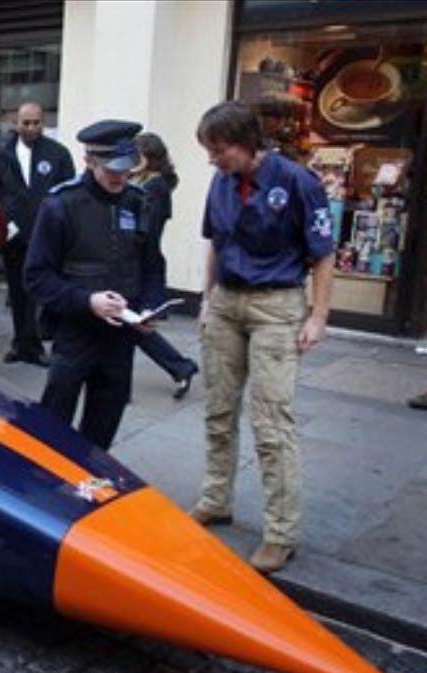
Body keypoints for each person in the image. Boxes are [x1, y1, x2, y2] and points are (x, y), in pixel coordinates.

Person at [188, 101, 336, 574]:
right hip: (227, 303)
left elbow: (323, 254)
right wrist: (207, 298)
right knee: (218, 410)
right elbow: (216, 242)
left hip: (277, 307)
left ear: (246, 142)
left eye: (218, 149)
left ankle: (281, 532)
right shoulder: (221, 181)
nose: (212, 159)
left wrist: (318, 317)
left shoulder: (297, 181)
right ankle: (216, 499)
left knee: (271, 423)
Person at [25, 120, 166, 450]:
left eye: (126, 169)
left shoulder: (138, 201)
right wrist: (87, 301)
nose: (120, 177)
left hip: (120, 338)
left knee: (103, 428)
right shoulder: (61, 204)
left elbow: (152, 264)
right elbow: (36, 276)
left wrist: (150, 305)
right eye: (112, 169)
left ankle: (91, 479)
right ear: (89, 161)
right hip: (75, 334)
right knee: (53, 428)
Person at [0, 102, 75, 367]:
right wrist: (5, 219)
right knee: (17, 292)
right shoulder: (4, 154)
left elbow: (68, 192)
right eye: (26, 123)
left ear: (43, 123)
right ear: (16, 123)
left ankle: (36, 344)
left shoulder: (57, 153)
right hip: (14, 237)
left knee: (42, 292)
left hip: (47, 235)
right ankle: (21, 343)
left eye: (36, 122)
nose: (31, 127)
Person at [131, 132, 200, 399]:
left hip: (141, 264)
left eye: (137, 154)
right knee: (130, 325)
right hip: (138, 262)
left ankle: (181, 366)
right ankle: (180, 367)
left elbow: (148, 230)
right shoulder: (143, 182)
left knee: (133, 325)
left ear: (149, 158)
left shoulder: (154, 187)